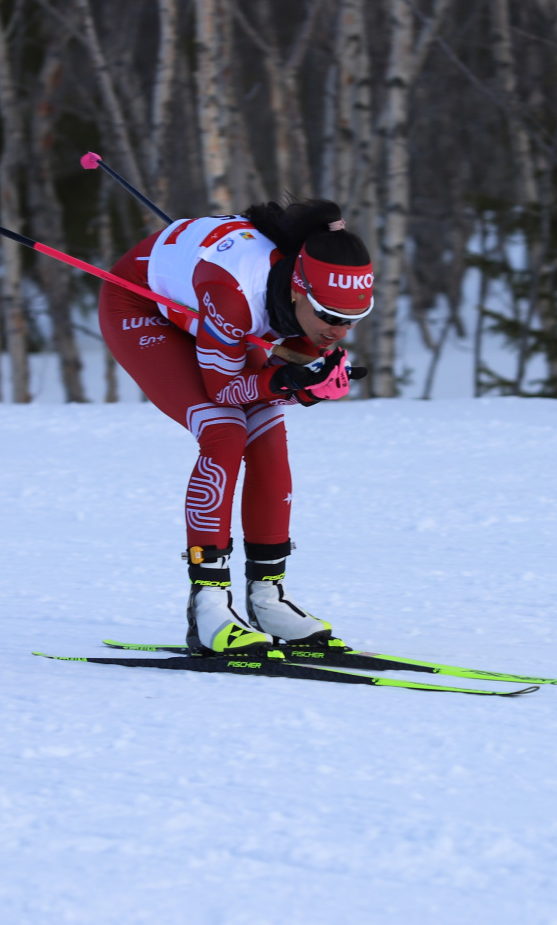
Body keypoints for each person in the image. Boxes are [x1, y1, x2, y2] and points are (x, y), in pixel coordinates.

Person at [99, 198, 373, 654]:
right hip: (142, 306)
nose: (338, 330)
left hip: (210, 310)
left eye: (352, 319)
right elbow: (224, 388)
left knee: (268, 439)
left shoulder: (301, 290)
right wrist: (289, 383)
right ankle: (207, 606)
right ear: (298, 291)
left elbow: (295, 360)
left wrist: (317, 374)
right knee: (224, 430)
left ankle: (268, 599)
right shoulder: (237, 292)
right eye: (329, 316)